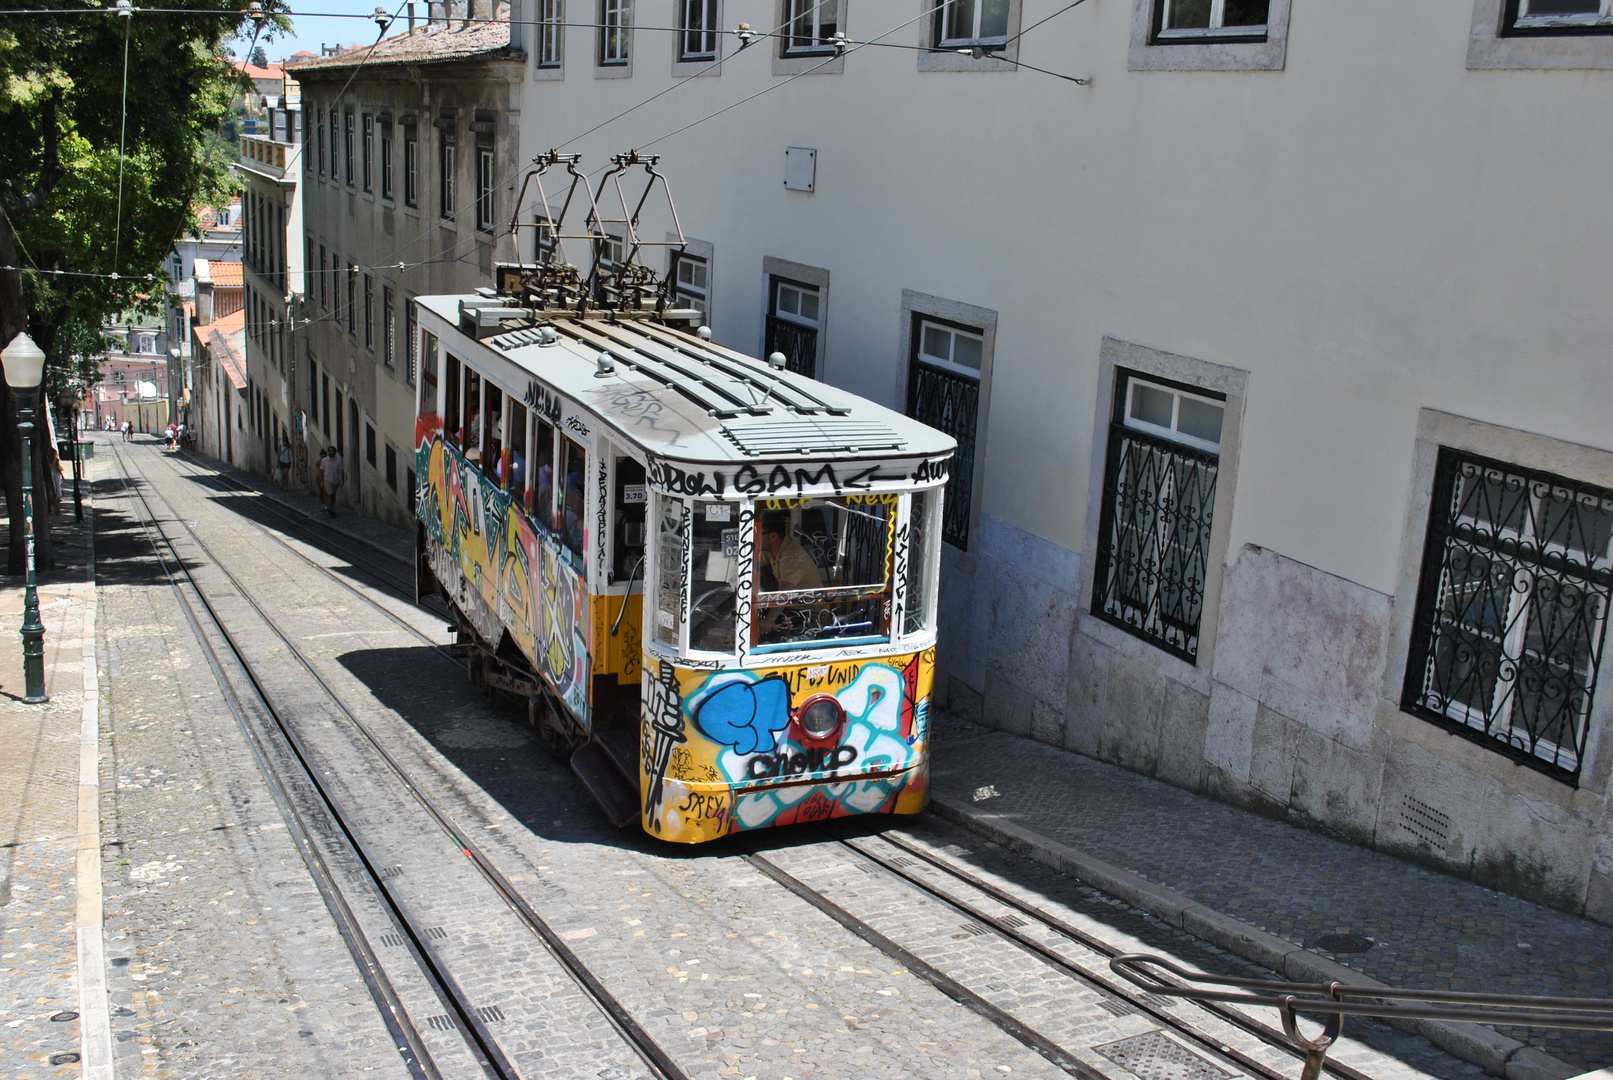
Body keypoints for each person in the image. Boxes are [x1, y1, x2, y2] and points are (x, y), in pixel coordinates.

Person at [320, 445, 345, 517]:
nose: (330, 452)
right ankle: (331, 510)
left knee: (333, 496)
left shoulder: (339, 460)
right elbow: (321, 470)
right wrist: (321, 480)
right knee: (330, 494)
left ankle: (331, 507)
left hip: (336, 481)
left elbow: (341, 470)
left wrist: (342, 480)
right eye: (329, 451)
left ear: (335, 452)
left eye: (332, 451)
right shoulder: (324, 460)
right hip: (327, 480)